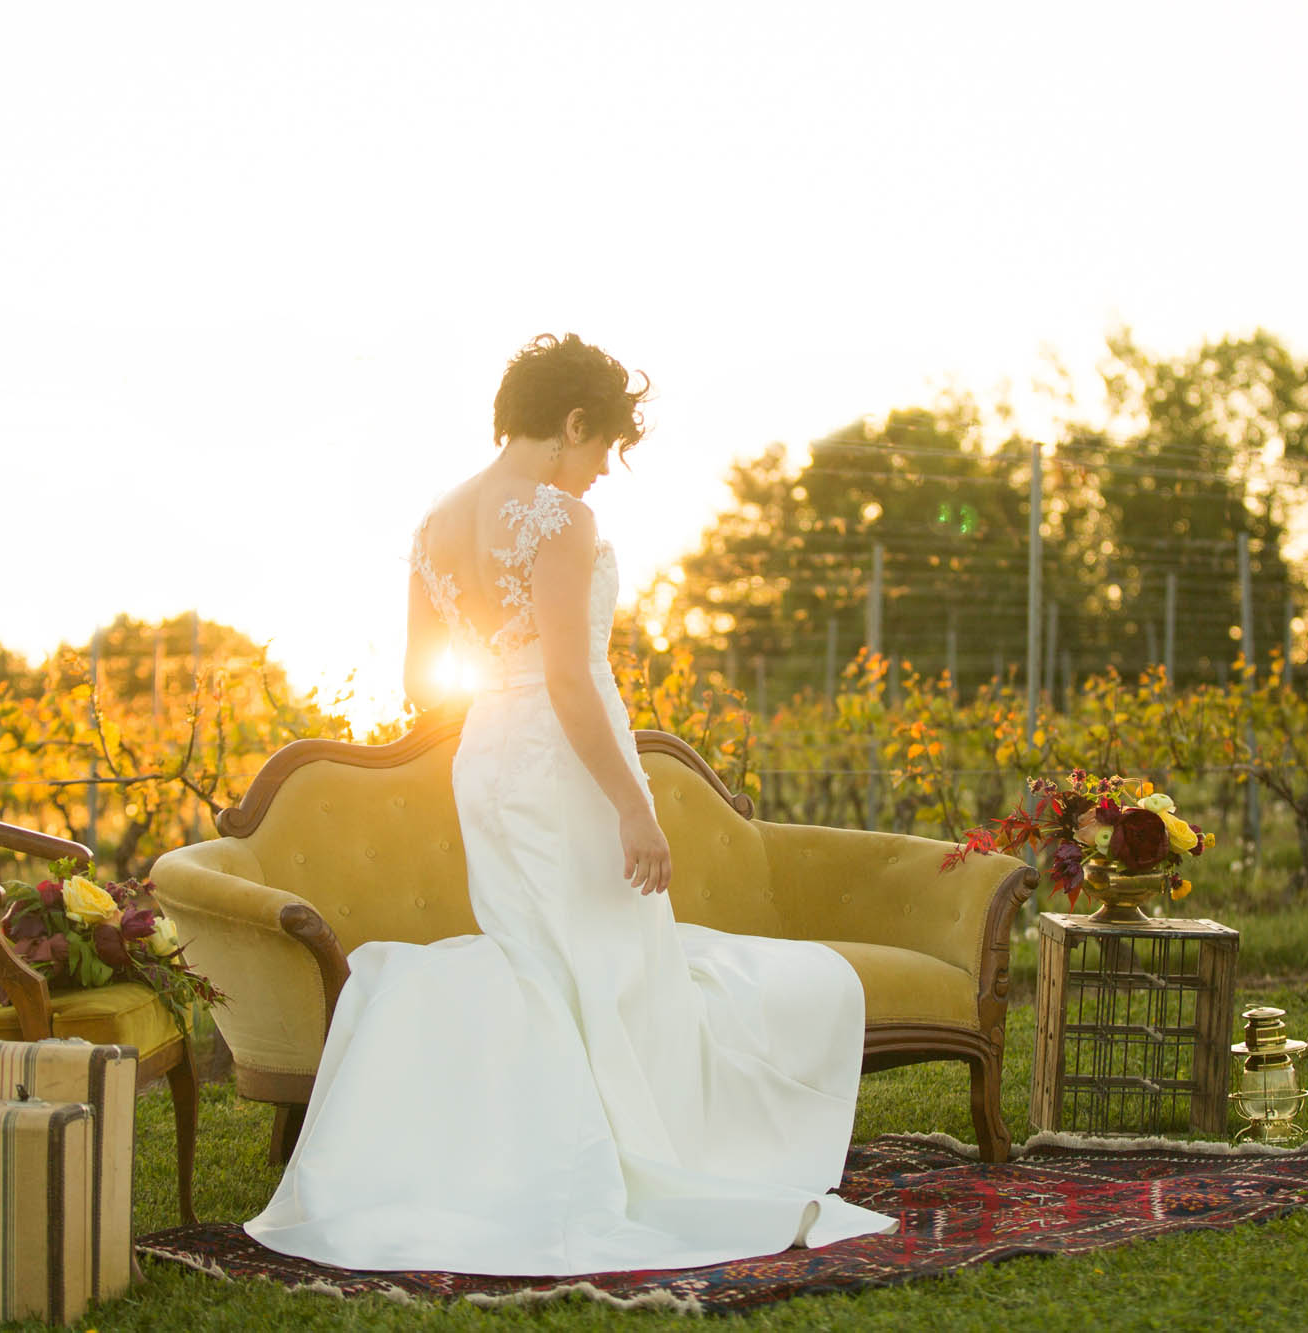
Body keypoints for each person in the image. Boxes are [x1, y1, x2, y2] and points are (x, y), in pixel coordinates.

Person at [242, 333, 894, 1275]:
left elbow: (426, 677)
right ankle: (618, 1151)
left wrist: (496, 715)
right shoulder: (557, 519)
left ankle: (529, 1144)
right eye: (601, 452)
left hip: (490, 759)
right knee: (604, 961)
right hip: (562, 763)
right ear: (575, 423)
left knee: (547, 956)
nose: (596, 477)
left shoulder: (436, 523)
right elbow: (570, 682)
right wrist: (636, 805)